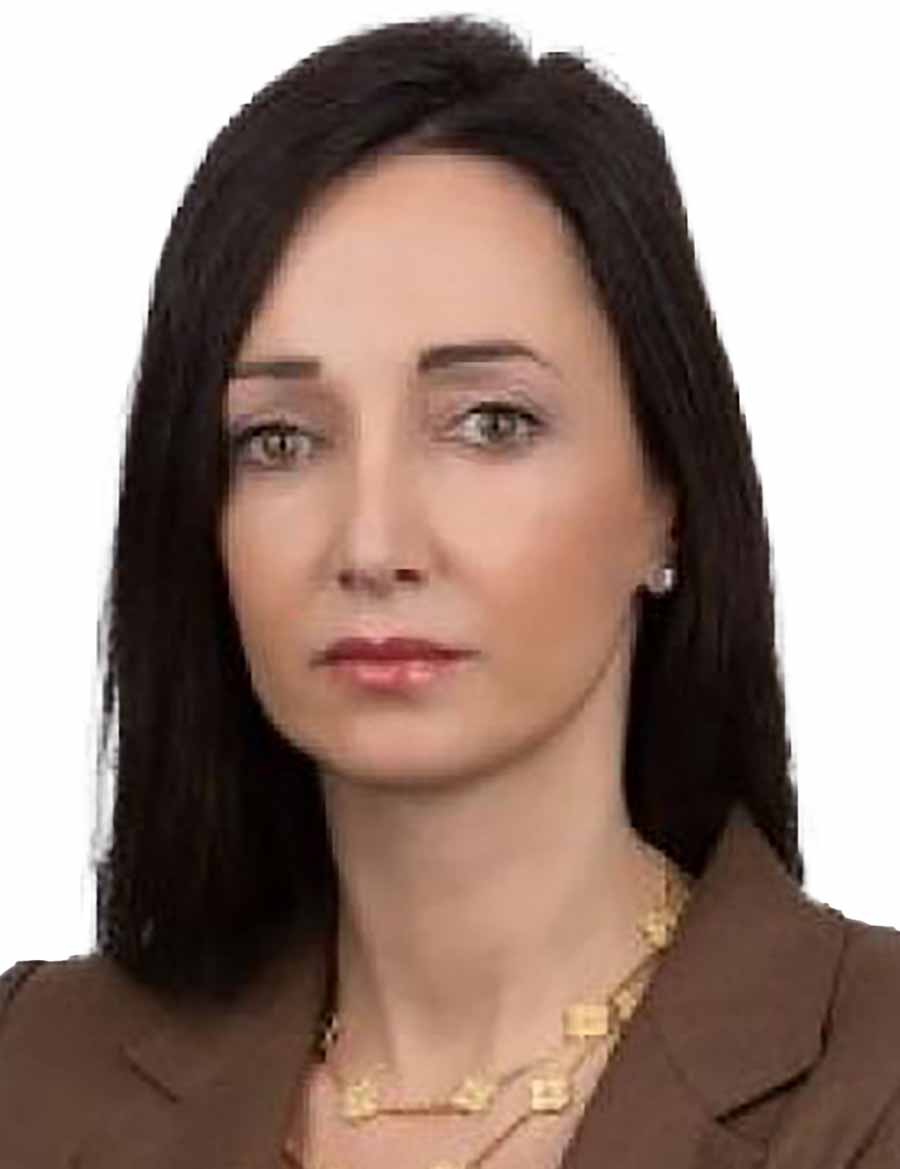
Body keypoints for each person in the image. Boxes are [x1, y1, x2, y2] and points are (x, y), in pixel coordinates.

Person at [2, 14, 898, 1169]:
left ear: (668, 493)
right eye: (280, 439)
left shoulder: (870, 1072)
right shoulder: (33, 1068)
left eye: (491, 423)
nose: (372, 542)